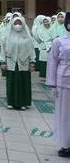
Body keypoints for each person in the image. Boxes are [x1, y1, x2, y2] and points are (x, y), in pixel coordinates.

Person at [46, 12, 70, 158]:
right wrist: (52, 83)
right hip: (64, 81)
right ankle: (65, 144)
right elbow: (53, 62)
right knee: (64, 114)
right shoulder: (59, 41)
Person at [0, 16, 35, 110]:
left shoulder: (27, 37)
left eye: (19, 23)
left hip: (24, 63)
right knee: (11, 83)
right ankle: (11, 102)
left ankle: (23, 102)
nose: (18, 25)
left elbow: (31, 50)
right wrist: (3, 61)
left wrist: (32, 62)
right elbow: (3, 49)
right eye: (16, 23)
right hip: (12, 62)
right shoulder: (8, 36)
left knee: (23, 83)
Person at [0, 13, 13, 77]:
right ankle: (4, 73)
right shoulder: (1, 27)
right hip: (3, 45)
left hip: (11, 46)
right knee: (3, 59)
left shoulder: (12, 27)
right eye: (7, 18)